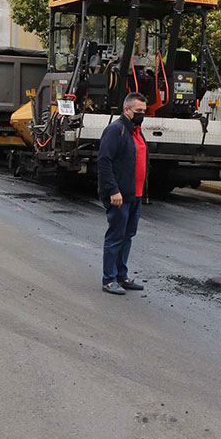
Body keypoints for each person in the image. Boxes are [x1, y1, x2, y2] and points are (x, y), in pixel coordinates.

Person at [97, 92, 149, 295]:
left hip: (135, 195)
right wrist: (113, 190)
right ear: (126, 110)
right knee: (116, 236)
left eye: (144, 111)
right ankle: (109, 279)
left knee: (127, 236)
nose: (142, 114)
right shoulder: (115, 130)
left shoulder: (137, 131)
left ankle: (122, 276)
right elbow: (104, 162)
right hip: (120, 195)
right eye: (138, 111)